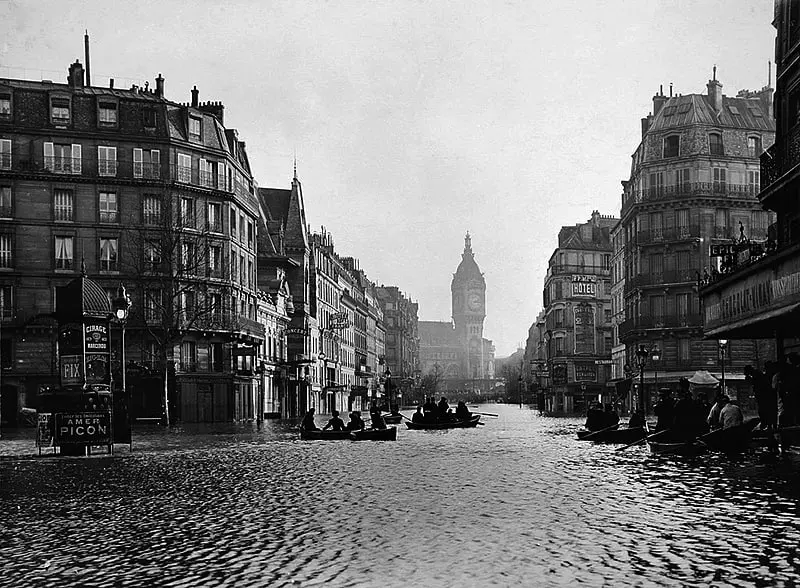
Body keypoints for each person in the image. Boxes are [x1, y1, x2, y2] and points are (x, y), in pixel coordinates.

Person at [746, 364, 777, 432]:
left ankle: (767, 425)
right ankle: (768, 424)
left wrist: (751, 380)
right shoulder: (757, 374)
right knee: (764, 410)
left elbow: (758, 385)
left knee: (764, 410)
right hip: (763, 395)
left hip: (764, 395)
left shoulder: (757, 375)